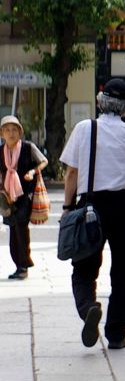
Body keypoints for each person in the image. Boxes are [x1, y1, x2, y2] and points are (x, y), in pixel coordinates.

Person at [60, 78, 125, 349]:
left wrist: (68, 207)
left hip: (90, 203)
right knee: (124, 269)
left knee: (84, 267)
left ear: (101, 101)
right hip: (123, 206)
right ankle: (116, 334)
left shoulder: (84, 128)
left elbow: (71, 173)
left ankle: (89, 307)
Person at [1, 114, 47, 280]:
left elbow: (43, 161)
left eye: (14, 130)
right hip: (7, 197)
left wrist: (33, 171)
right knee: (13, 230)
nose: (11, 133)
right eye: (7, 130)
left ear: (19, 132)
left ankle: (24, 265)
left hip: (25, 195)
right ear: (2, 134)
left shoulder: (28, 147)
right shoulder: (1, 151)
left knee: (21, 229)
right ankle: (19, 265)